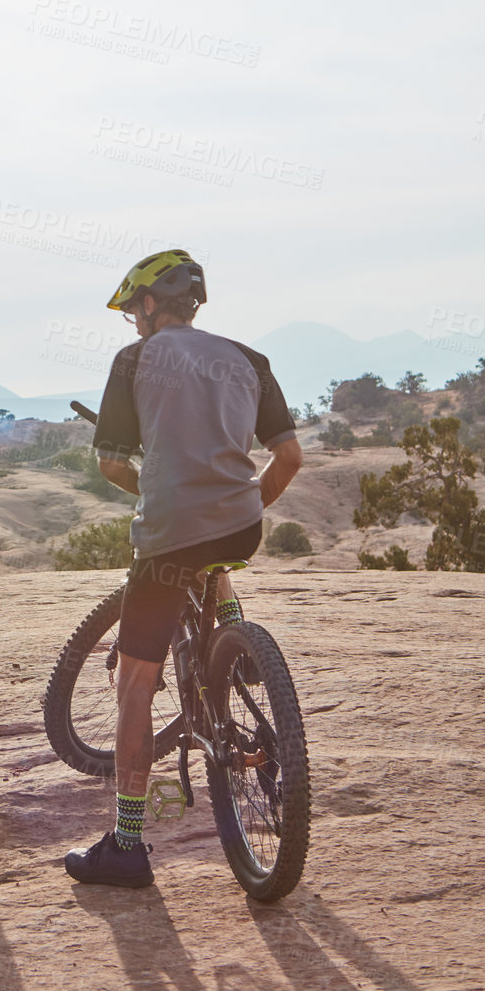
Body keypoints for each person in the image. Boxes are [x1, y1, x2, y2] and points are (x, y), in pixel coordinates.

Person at [62, 248, 303, 890]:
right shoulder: (250, 361)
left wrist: (154, 487)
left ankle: (128, 843)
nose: (133, 324)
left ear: (147, 305)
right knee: (216, 546)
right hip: (242, 525)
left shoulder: (135, 360)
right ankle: (233, 641)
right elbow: (290, 457)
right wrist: (245, 501)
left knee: (134, 687)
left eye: (133, 312)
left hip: (168, 537)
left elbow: (113, 465)